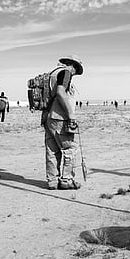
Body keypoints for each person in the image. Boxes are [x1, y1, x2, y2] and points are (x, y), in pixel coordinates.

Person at [42, 55, 84, 190]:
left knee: (52, 150)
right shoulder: (65, 73)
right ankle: (66, 180)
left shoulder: (52, 74)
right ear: (73, 65)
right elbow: (60, 92)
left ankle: (52, 181)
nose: (75, 73)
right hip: (59, 116)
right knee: (70, 148)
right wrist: (71, 115)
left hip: (48, 116)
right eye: (76, 70)